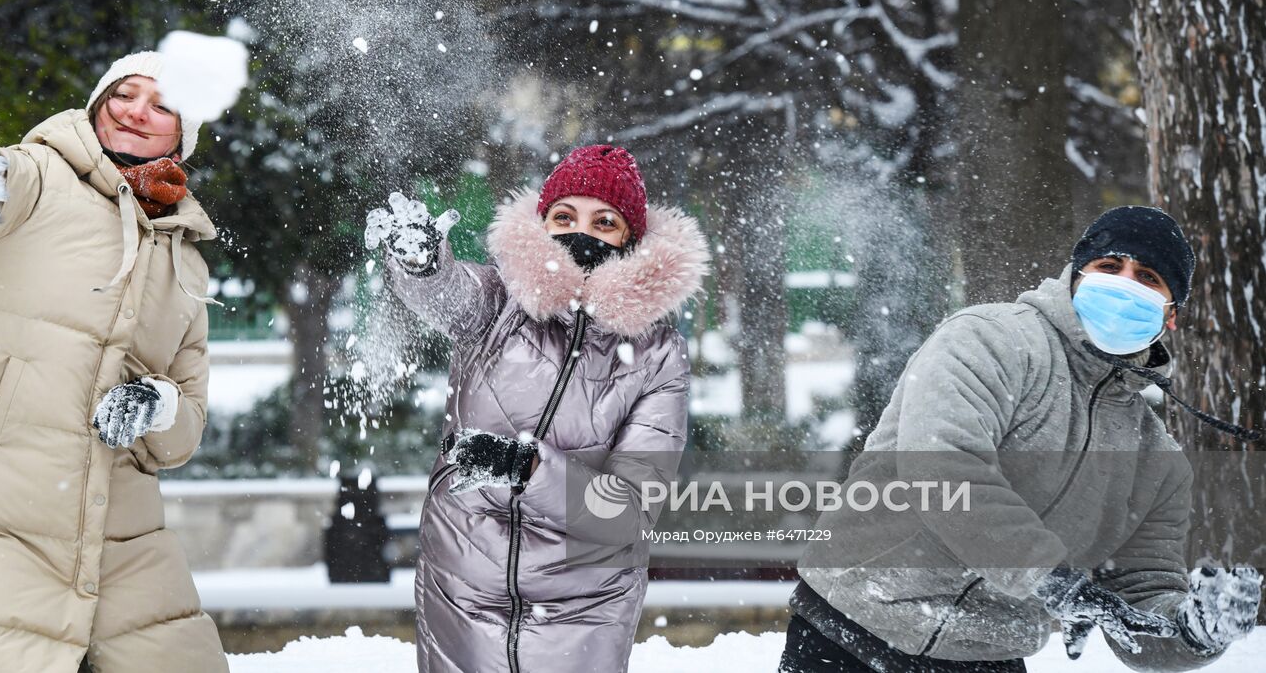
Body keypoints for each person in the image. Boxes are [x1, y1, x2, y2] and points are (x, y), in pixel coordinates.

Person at [782, 205, 1262, 672]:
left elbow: (1140, 601)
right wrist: (1052, 579)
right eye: (1110, 265)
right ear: (1076, 274)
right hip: (854, 625)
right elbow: (943, 468)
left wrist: (1195, 631)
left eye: (1148, 278)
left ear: (1171, 313)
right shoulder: (989, 339)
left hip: (986, 655)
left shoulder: (1157, 462)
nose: (1123, 283)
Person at [0, 52, 228, 673]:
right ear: (99, 104)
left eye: (162, 106)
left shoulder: (186, 261)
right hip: (2, 522)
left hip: (127, 540)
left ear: (184, 137)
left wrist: (158, 405)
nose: (137, 112)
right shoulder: (36, 179)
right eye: (125, 95)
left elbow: (185, 432)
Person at [365, 144, 709, 673]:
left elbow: (629, 513)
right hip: (460, 587)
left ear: (631, 240)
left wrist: (526, 469)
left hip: (587, 606)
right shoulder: (497, 303)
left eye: (605, 221)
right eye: (564, 216)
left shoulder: (655, 354)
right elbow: (448, 292)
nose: (581, 233)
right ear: (540, 223)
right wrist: (423, 262)